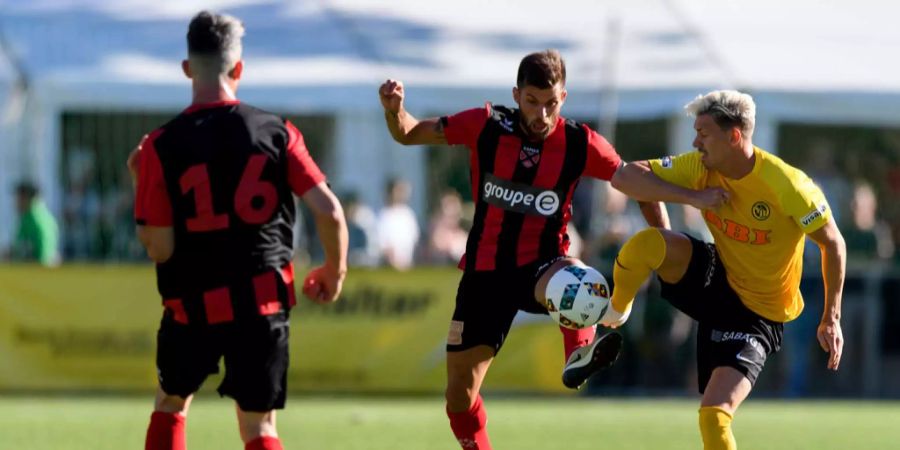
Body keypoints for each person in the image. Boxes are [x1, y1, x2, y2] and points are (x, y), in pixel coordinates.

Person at [379, 49, 724, 450]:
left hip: (543, 266)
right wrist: (394, 109)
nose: (542, 114)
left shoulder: (579, 142)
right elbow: (407, 132)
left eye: (551, 104)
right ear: (516, 94)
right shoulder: (485, 124)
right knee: (459, 395)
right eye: (532, 102)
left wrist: (677, 222)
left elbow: (635, 181)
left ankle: (578, 353)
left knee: (582, 285)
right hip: (485, 275)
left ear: (564, 98)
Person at [128, 11, 348, 450]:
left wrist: (139, 180)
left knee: (171, 403)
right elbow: (331, 212)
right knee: (259, 427)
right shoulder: (278, 132)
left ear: (188, 69)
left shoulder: (160, 145)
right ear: (239, 69)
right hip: (260, 304)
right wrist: (333, 271)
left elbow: (160, 247)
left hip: (192, 306)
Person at [605, 90, 846, 450]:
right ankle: (613, 314)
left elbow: (833, 243)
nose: (694, 142)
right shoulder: (701, 169)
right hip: (718, 277)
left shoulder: (788, 185)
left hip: (758, 314)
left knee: (714, 417)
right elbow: (626, 179)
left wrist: (831, 317)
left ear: (734, 136)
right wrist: (691, 199)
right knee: (647, 244)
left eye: (704, 134)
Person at [9, 181, 60, 266]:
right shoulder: (46, 216)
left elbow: (42, 256)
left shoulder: (32, 220)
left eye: (18, 197)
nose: (15, 202)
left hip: (34, 272)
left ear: (26, 198)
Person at [376, 178, 420, 270]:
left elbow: (414, 238)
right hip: (389, 265)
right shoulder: (383, 214)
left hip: (408, 263)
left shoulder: (408, 214)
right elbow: (382, 242)